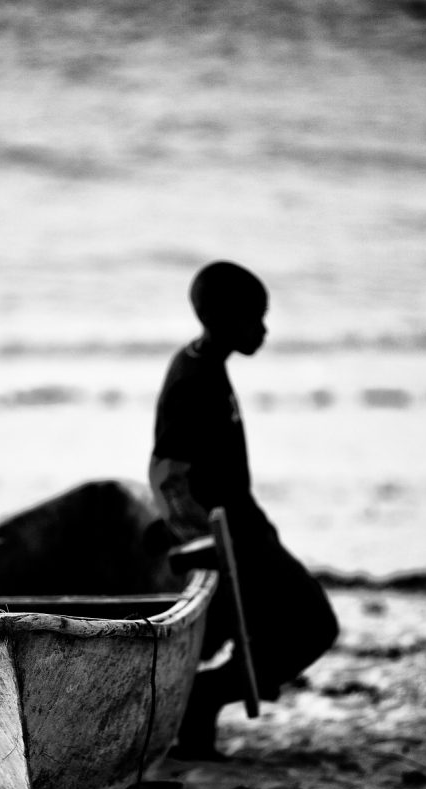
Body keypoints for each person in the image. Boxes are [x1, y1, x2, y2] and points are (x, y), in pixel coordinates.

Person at [149, 260, 339, 760]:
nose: (264, 329)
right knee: (314, 626)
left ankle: (201, 709)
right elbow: (166, 475)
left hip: (245, 524)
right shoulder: (193, 380)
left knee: (269, 629)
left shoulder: (208, 364)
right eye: (254, 318)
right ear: (221, 319)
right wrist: (210, 545)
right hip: (228, 537)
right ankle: (204, 697)